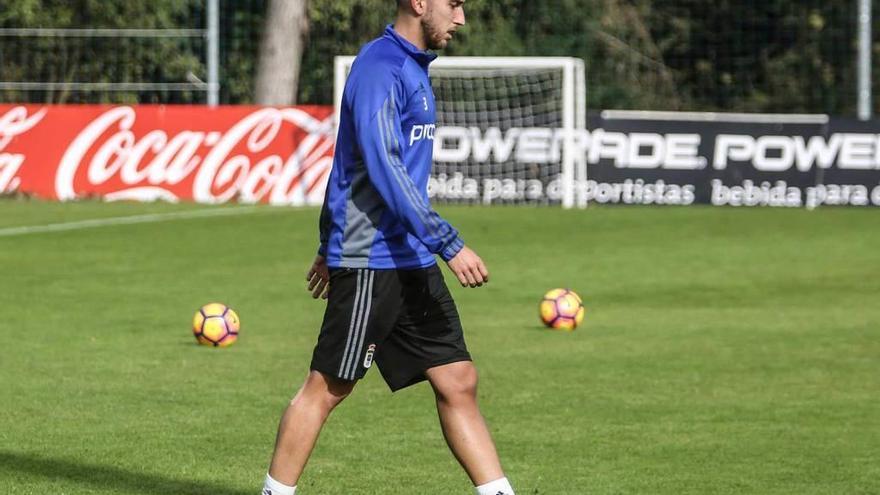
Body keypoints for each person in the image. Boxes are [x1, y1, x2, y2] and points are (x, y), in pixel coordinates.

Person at [262, 1, 515, 494]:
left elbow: (348, 164)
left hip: (409, 257)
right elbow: (380, 168)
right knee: (328, 387)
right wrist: (448, 242)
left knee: (458, 379)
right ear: (419, 3)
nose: (461, 18)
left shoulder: (414, 68)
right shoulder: (380, 67)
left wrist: (327, 238)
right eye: (454, 4)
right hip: (374, 257)